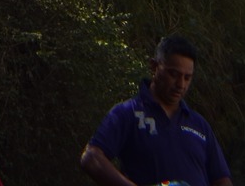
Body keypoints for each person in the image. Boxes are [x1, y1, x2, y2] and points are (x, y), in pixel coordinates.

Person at [81, 34, 231, 186]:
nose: (181, 84)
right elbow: (91, 157)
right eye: (174, 74)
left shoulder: (200, 125)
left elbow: (221, 179)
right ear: (154, 66)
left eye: (187, 78)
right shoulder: (127, 113)